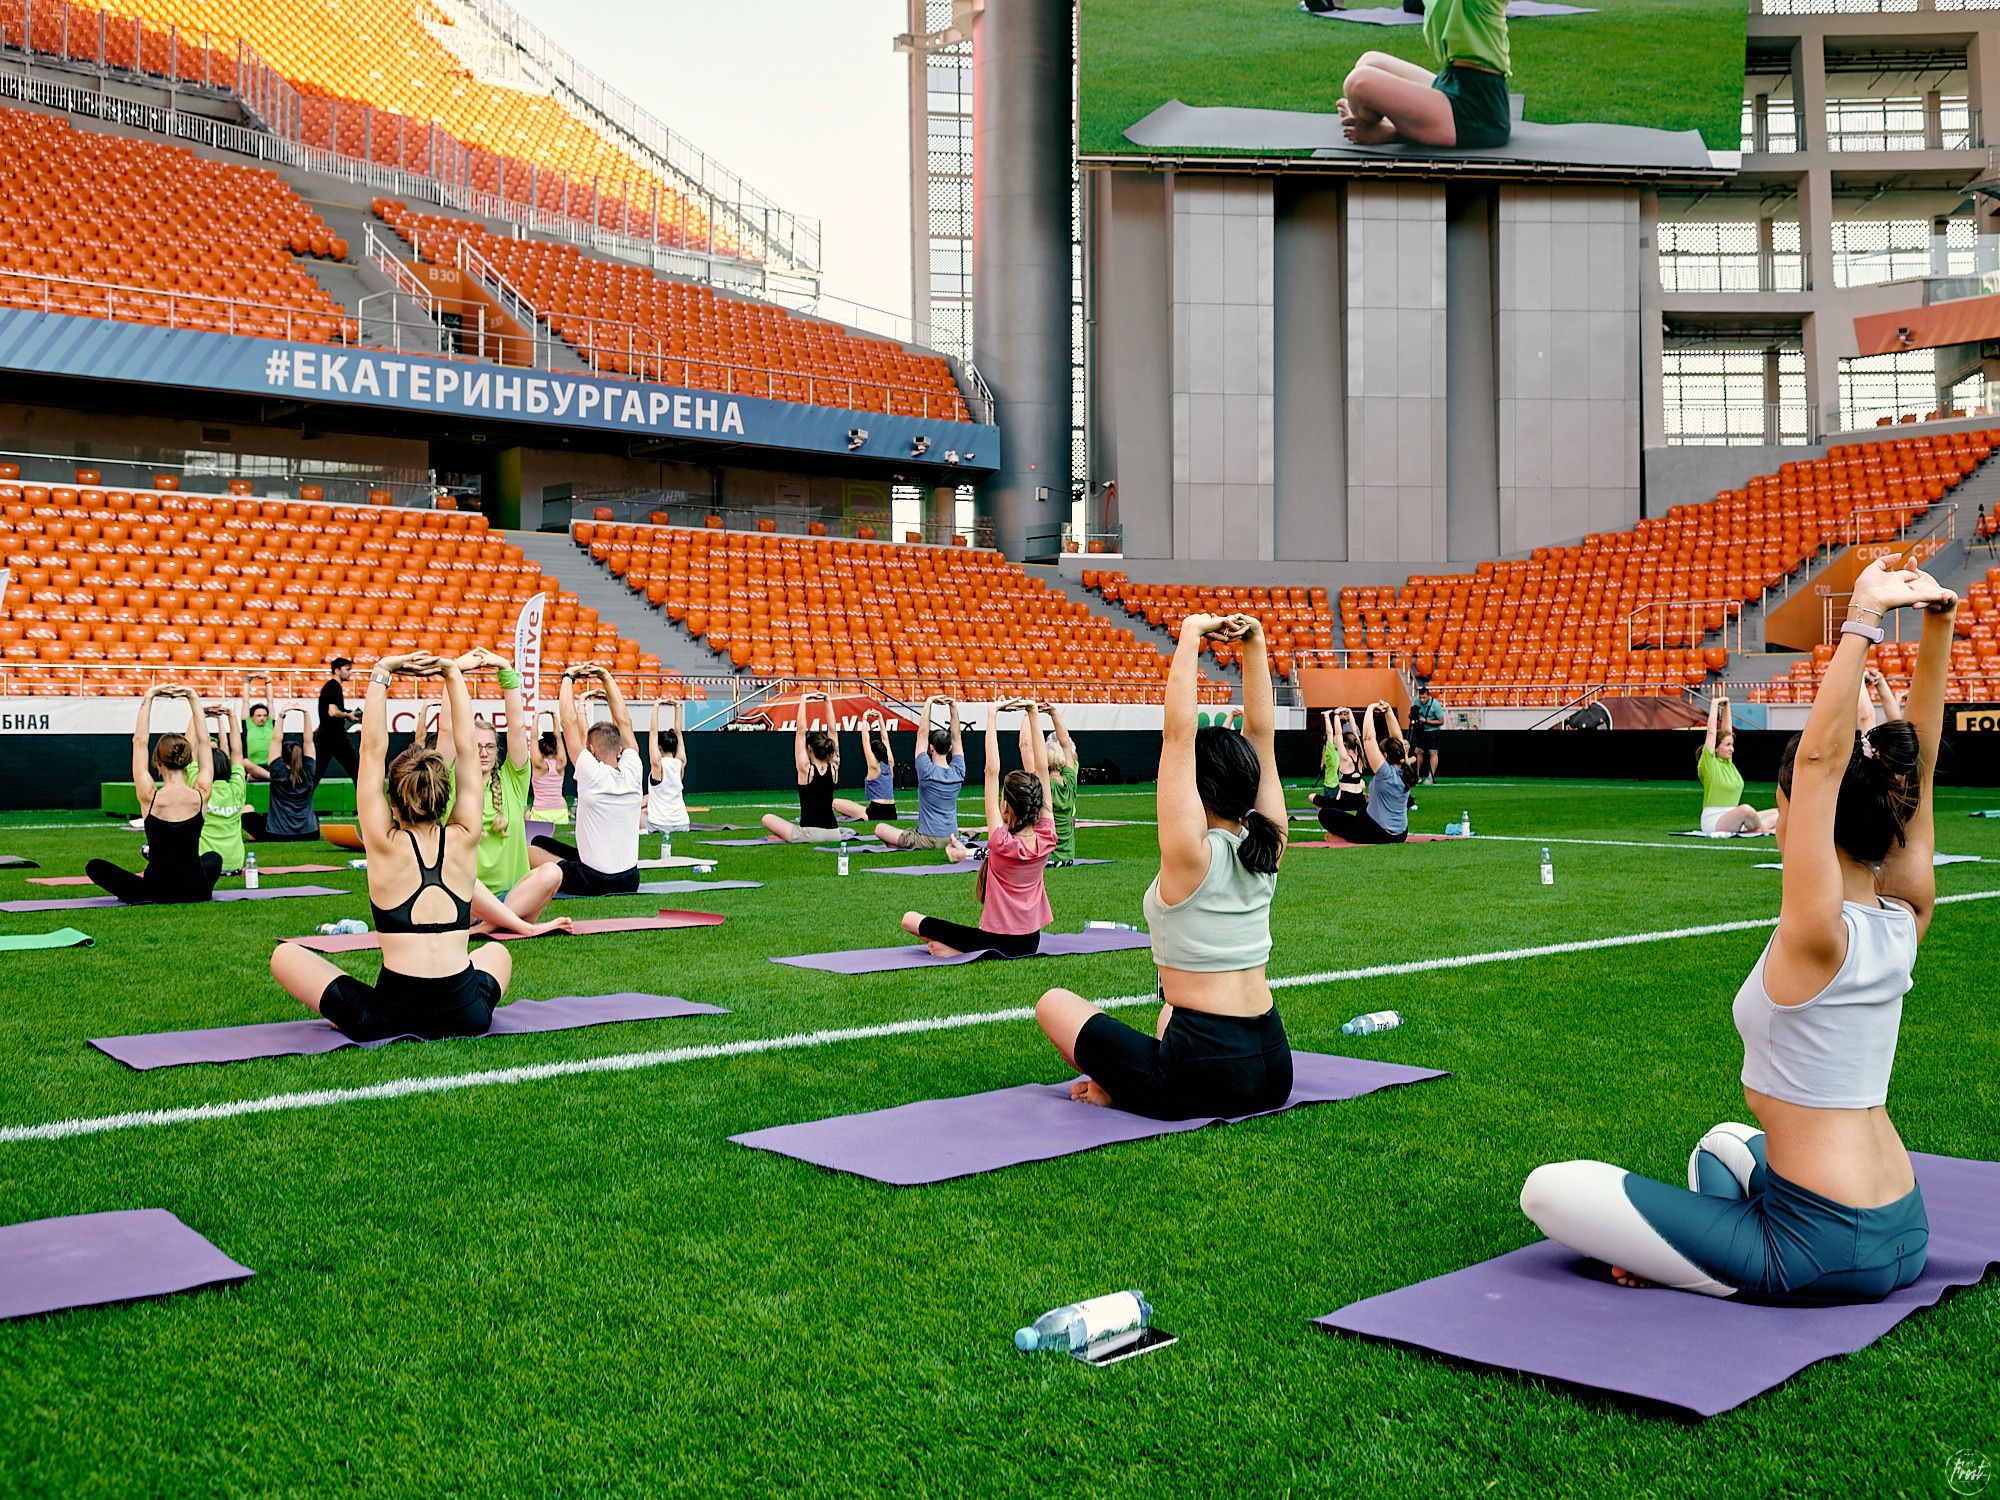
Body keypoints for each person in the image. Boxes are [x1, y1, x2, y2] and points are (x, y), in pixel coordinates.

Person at [1518, 558, 1955, 1301]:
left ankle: (1691, 1260)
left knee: (1548, 1189)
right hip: (1903, 1225)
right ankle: (1693, 1250)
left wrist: (1863, 617)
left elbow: (1819, 762)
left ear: (1799, 810)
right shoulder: (1905, 918)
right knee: (1719, 1144)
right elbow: (1924, 766)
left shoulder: (1817, 933)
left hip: (1820, 1248)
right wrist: (1938, 625)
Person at [1033, 613, 1290, 1119]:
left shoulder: (1192, 857)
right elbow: (1263, 737)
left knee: (1052, 1002)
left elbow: (1178, 735)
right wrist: (1255, 641)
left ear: (1201, 788)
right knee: (1169, 1013)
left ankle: (1122, 1089)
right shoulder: (1268, 847)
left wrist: (1191, 635)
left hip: (1204, 1071)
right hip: (1274, 1065)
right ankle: (1128, 1083)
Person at [269, 652, 513, 1042]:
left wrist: (382, 672)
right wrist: (452, 672)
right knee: (499, 953)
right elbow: (468, 751)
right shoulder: (464, 835)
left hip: (390, 1015)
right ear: (445, 793)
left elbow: (370, 751)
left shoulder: (382, 843)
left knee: (283, 955)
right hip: (467, 1013)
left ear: (392, 799)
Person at [900, 701, 1055, 956]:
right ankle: (955, 949)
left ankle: (959, 949)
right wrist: (1034, 714)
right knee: (937, 945)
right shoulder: (1047, 837)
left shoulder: (1001, 841)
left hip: (996, 939)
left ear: (1005, 805)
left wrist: (992, 715)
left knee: (909, 919)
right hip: (1030, 941)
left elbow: (991, 771)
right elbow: (1041, 771)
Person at [435, 650, 569, 931]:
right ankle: (502, 923)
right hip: (470, 901)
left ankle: (490, 926)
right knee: (454, 875)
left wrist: (506, 670)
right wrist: (454, 669)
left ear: (497, 751)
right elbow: (447, 729)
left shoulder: (513, 779)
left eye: (490, 746)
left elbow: (517, 727)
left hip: (517, 897)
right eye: (476, 745)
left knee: (552, 873)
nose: (483, 753)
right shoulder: (449, 780)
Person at [87, 683, 222, 905]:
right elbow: (205, 742)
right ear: (189, 760)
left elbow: (139, 741)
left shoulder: (150, 796)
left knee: (95, 867)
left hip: (156, 889)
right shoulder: (201, 794)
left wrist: (150, 696)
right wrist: (192, 696)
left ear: (157, 762)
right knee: (213, 859)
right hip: (197, 888)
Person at [529, 664, 645, 895]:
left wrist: (568, 677)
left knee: (526, 851)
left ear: (591, 749)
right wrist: (606, 676)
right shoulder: (634, 767)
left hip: (594, 880)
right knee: (541, 841)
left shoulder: (591, 772)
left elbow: (568, 722)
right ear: (619, 747)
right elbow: (624, 720)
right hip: (632, 878)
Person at [1336, 0, 1511, 151]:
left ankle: (1394, 130)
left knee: (1358, 82)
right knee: (1369, 61)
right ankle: (1386, 120)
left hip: (1480, 110)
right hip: (1452, 80)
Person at [876, 695, 969, 862]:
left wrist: (928, 703)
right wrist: (953, 706)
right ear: (949, 748)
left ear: (930, 748)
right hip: (952, 838)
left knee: (880, 828)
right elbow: (957, 736)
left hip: (927, 839)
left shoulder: (926, 770)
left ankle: (905, 845)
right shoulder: (959, 770)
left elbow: (922, 734)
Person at [1318, 700, 1411, 844]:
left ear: (1385, 755)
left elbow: (1368, 739)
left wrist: (1370, 709)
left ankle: (1344, 838)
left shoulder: (1385, 772)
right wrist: (1388, 711)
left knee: (1325, 814)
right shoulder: (1406, 766)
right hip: (1401, 834)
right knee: (1363, 810)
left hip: (1379, 833)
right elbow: (1397, 738)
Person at [762, 691, 848, 843]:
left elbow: (801, 730)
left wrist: (803, 700)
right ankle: (785, 838)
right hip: (834, 833)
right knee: (790, 829)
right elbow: (833, 730)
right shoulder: (834, 768)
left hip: (811, 833)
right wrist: (827, 701)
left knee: (767, 818)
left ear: (809, 748)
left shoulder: (806, 770)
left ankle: (785, 838)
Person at [1699, 694, 1777, 836]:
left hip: (1733, 817)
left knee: (1778, 813)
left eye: (1732, 745)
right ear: (1716, 748)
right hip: (1714, 821)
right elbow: (1711, 733)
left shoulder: (1728, 763)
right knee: (1746, 809)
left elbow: (1727, 730)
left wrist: (1727, 705)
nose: (1731, 749)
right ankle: (1763, 830)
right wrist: (1714, 705)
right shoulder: (1710, 763)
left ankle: (1752, 827)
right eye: (1727, 745)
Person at [247, 711, 320, 842]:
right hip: (310, 833)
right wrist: (306, 714)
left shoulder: (277, 773)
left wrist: (281, 714)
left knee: (246, 816)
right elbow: (308, 741)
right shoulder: (309, 772)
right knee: (314, 817)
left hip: (277, 834)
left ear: (282, 757)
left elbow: (276, 740)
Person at [199, 705, 250, 875]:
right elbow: (237, 751)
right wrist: (232, 716)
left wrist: (198, 715)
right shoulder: (237, 787)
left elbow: (190, 748)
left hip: (205, 866)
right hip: (235, 866)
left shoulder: (199, 786)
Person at [1032, 702, 1081, 867]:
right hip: (1067, 858)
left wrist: (1030, 714)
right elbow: (1066, 744)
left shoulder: (1042, 783)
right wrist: (1054, 713)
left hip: (1047, 858)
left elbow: (1025, 745)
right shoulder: (1070, 780)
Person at [833, 709, 897, 824]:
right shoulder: (890, 765)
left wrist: (864, 718)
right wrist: (880, 718)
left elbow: (865, 740)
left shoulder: (874, 767)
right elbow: (885, 739)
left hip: (876, 813)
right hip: (892, 812)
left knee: (835, 802)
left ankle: (852, 814)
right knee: (855, 808)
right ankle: (852, 814)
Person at [1310, 707, 1368, 818]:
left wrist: (1336, 714)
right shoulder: (1360, 756)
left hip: (1346, 800)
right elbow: (1355, 733)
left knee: (1312, 796)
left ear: (1345, 744)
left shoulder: (1345, 758)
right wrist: (1350, 713)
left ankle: (1327, 810)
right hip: (1359, 799)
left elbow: (1338, 734)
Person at [647, 699, 691, 836]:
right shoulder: (680, 763)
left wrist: (656, 706)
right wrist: (677, 706)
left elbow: (653, 732)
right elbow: (678, 732)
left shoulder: (657, 765)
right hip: (682, 823)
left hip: (659, 824)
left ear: (659, 747)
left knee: (637, 814)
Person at [315, 657, 361, 782]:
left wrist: (347, 712)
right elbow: (333, 712)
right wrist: (348, 715)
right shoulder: (334, 687)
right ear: (337, 670)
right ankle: (364, 801)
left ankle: (302, 800)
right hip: (334, 736)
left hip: (327, 736)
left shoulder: (331, 686)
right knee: (356, 771)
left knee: (317, 772)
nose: (350, 673)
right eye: (347, 669)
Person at [529, 712, 570, 825]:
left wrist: (536, 716)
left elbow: (533, 738)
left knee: (526, 813)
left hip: (540, 814)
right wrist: (554, 717)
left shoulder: (539, 765)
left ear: (540, 751)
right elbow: (559, 738)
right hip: (560, 813)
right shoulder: (561, 764)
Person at [1410, 681, 1444, 784]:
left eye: (1424, 698)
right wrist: (1413, 715)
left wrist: (1426, 721)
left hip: (1433, 731)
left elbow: (1441, 721)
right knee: (1418, 751)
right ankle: (1416, 775)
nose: (1422, 700)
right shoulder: (1416, 701)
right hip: (1421, 730)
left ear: (1428, 696)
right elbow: (1410, 714)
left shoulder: (1435, 704)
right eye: (1420, 698)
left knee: (1433, 752)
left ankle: (1431, 776)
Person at [243, 698, 274, 784]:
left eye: (264, 716)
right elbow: (245, 702)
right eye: (259, 716)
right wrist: (246, 683)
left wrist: (268, 683)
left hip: (270, 766)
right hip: (253, 767)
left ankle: (257, 778)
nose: (262, 718)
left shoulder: (269, 725)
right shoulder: (248, 725)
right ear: (252, 717)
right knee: (244, 762)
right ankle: (272, 778)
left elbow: (270, 701)